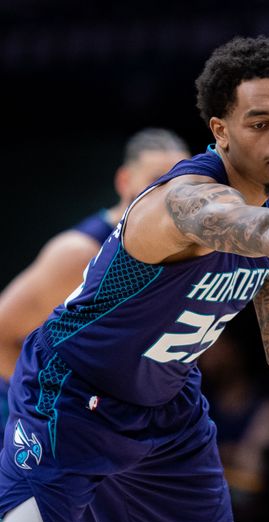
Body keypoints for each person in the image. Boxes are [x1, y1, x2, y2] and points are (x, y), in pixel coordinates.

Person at [0, 35, 269, 522]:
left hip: (167, 412)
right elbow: (259, 230)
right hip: (77, 396)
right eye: (261, 123)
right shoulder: (185, 200)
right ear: (220, 130)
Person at [0, 128, 189, 383]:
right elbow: (2, 337)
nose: (170, 194)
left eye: (183, 183)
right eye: (157, 181)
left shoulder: (180, 250)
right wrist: (48, 405)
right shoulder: (79, 253)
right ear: (124, 182)